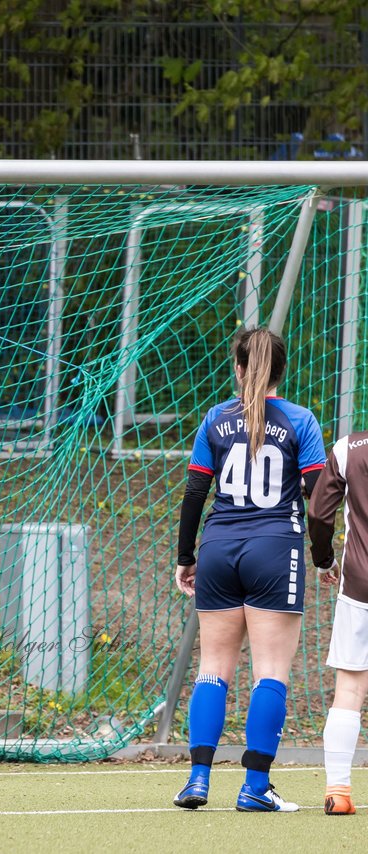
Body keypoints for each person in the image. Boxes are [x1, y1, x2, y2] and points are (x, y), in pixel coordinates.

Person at [172, 327, 324, 813]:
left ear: (239, 369)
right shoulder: (300, 420)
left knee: (212, 668)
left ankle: (198, 780)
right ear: (282, 370)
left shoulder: (215, 419)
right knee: (270, 673)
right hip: (276, 552)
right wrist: (324, 556)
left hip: (217, 549)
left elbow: (196, 493)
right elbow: (320, 501)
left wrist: (186, 557)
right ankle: (255, 787)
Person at [307, 429, 368, 815]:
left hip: (360, 584)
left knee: (348, 689)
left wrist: (324, 559)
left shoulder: (350, 447)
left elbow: (318, 512)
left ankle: (338, 792)